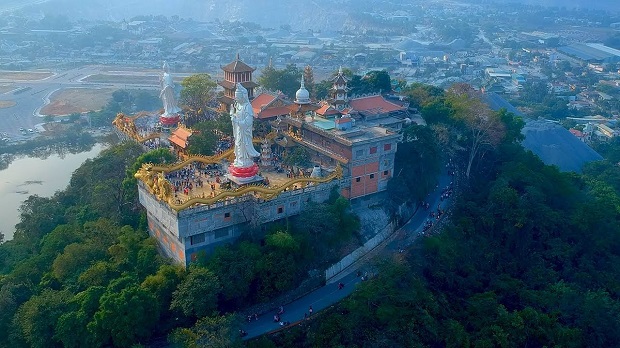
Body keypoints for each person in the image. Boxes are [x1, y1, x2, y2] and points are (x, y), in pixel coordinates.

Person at [231, 83, 260, 168]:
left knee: (244, 145)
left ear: (243, 97)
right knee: (238, 144)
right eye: (236, 97)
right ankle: (239, 159)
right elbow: (236, 116)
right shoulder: (238, 105)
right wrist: (233, 115)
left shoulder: (247, 106)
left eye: (238, 97)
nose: (236, 99)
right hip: (238, 130)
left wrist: (237, 121)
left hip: (244, 131)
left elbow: (248, 121)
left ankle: (245, 160)